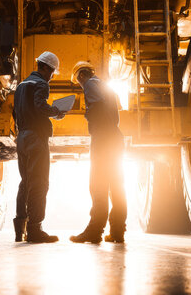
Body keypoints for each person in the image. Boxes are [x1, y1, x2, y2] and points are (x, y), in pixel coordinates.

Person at [69, 61, 127, 244]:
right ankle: (117, 232)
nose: (80, 84)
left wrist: (88, 115)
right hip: (115, 137)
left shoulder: (91, 84)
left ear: (81, 76)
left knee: (98, 185)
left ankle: (94, 231)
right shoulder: (105, 86)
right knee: (117, 186)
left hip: (103, 138)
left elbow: (96, 108)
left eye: (78, 81)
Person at [12, 51, 65, 243]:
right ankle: (35, 230)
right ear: (46, 68)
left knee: (25, 182)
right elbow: (40, 105)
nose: (52, 76)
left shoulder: (21, 85)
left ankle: (20, 229)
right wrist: (56, 112)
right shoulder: (41, 84)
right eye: (52, 72)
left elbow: (15, 112)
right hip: (36, 137)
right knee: (39, 182)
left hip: (22, 137)